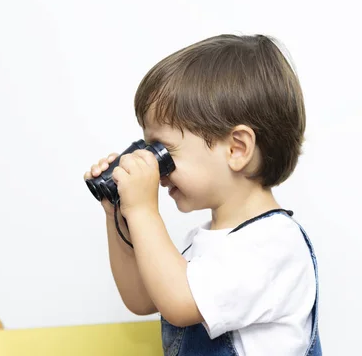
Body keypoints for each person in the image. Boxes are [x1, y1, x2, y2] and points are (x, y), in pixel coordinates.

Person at [83, 34, 322, 356]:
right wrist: (119, 215)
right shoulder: (210, 242)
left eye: (163, 150)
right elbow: (141, 300)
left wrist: (143, 211)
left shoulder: (273, 245)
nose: (158, 169)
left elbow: (180, 303)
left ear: (237, 149)